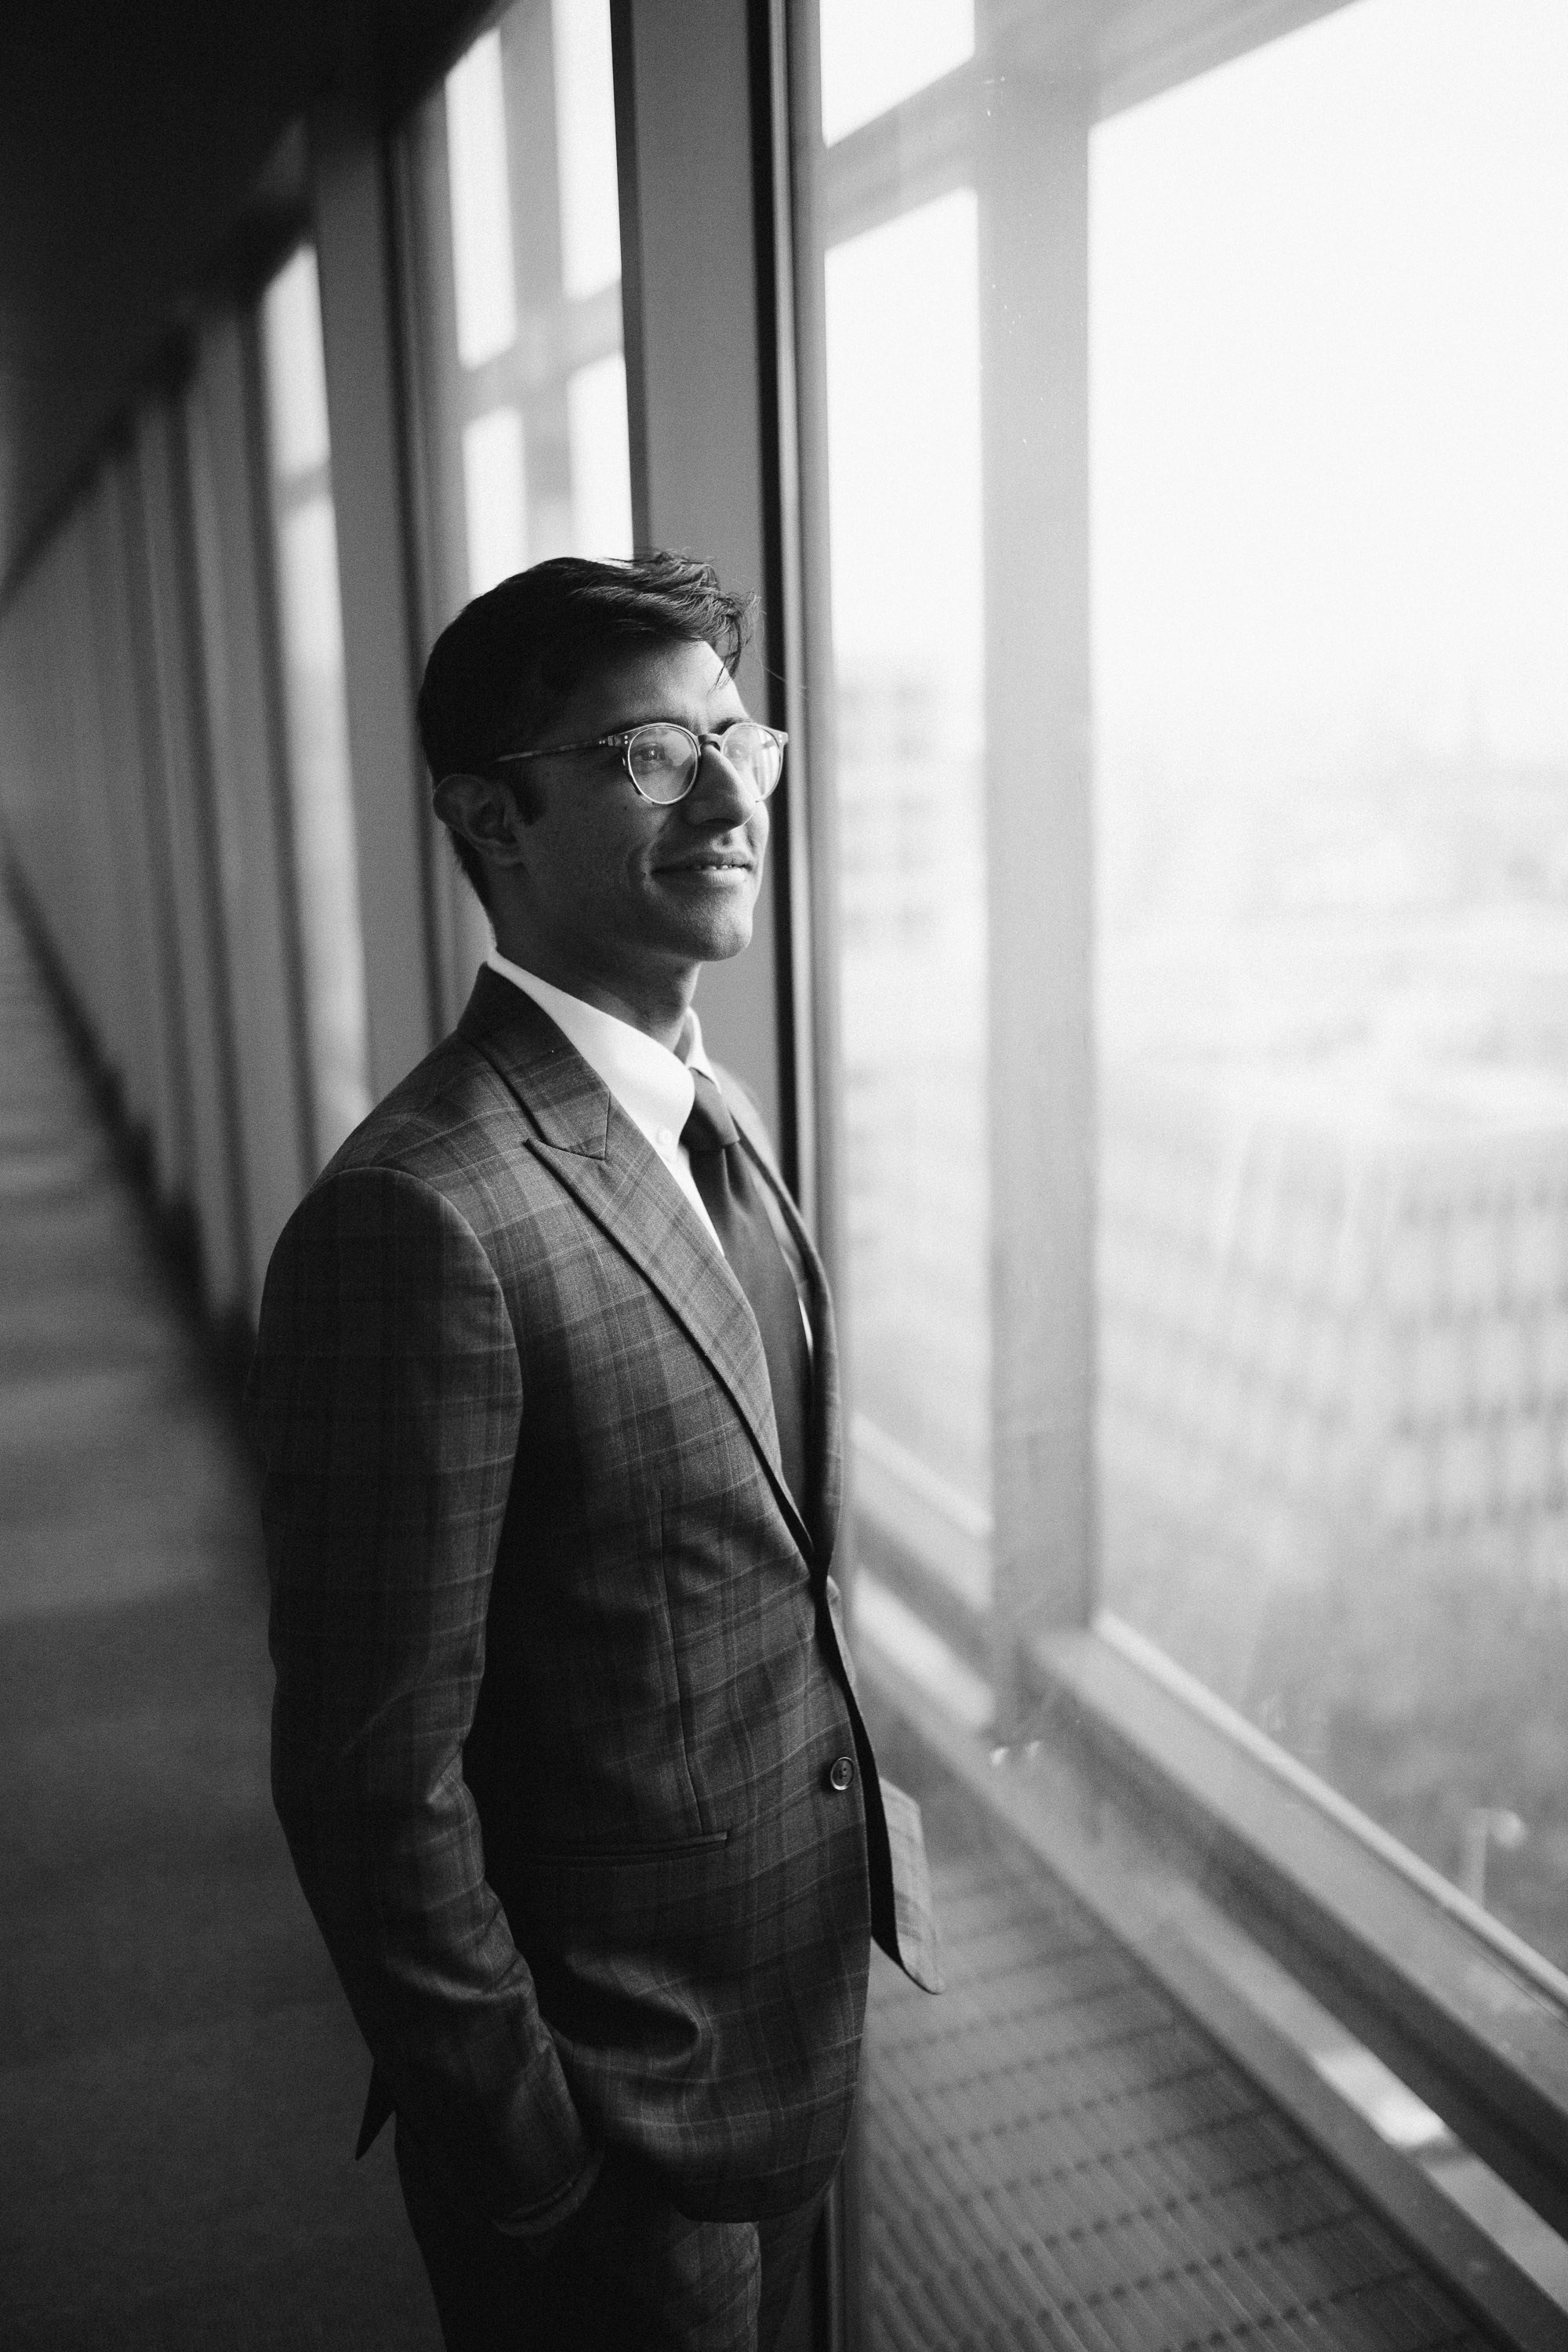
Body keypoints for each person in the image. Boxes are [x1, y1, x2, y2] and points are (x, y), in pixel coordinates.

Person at [246, 552, 941, 2351]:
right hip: (611, 2131)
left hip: (781, 2036)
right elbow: (366, 1778)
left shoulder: (706, 1102)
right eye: (647, 754)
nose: (728, 800)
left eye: (737, 739)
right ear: (488, 815)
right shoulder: (419, 1222)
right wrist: (537, 2158)